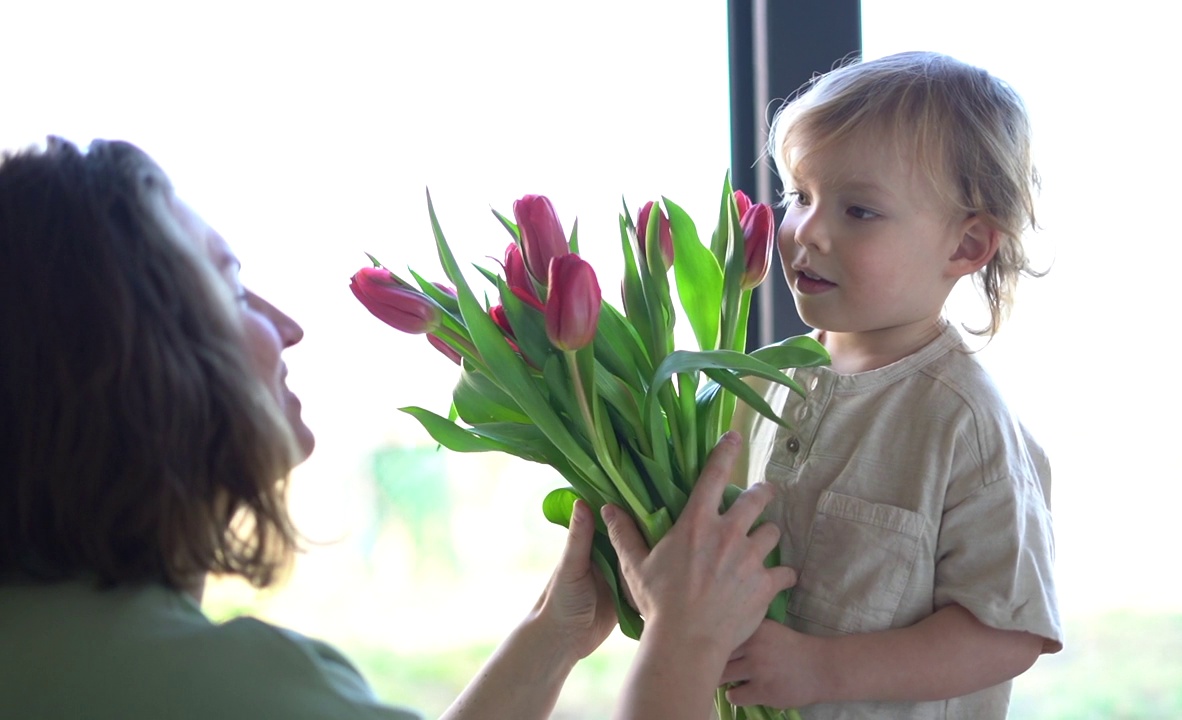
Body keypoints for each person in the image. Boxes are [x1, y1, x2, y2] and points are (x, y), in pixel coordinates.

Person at [0, 137, 797, 720]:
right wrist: (686, 641)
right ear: (119, 348)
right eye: (232, 287)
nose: (288, 326)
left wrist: (552, 635)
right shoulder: (224, 689)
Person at [721, 51, 1063, 719]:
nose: (807, 231)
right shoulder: (765, 384)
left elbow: (1009, 631)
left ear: (965, 247)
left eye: (859, 211)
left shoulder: (963, 421)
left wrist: (821, 669)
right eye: (801, 196)